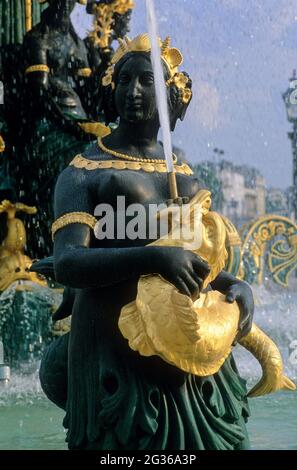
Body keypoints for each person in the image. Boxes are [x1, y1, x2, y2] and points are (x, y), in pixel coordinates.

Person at [39, 34, 254, 450]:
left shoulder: (185, 175)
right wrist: (153, 257)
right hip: (117, 359)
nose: (133, 92)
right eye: (123, 81)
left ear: (172, 95)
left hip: (189, 363)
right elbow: (68, 262)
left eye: (146, 81)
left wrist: (230, 284)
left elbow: (191, 260)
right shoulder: (84, 171)